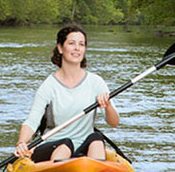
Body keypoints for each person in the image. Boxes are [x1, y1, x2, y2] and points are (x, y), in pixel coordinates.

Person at [14, 24, 119, 162]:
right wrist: (21, 142)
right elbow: (32, 121)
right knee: (65, 144)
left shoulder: (96, 82)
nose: (77, 48)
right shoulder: (49, 85)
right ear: (60, 48)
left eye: (81, 44)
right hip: (54, 145)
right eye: (71, 43)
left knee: (97, 139)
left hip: (84, 146)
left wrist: (108, 105)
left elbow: (114, 123)